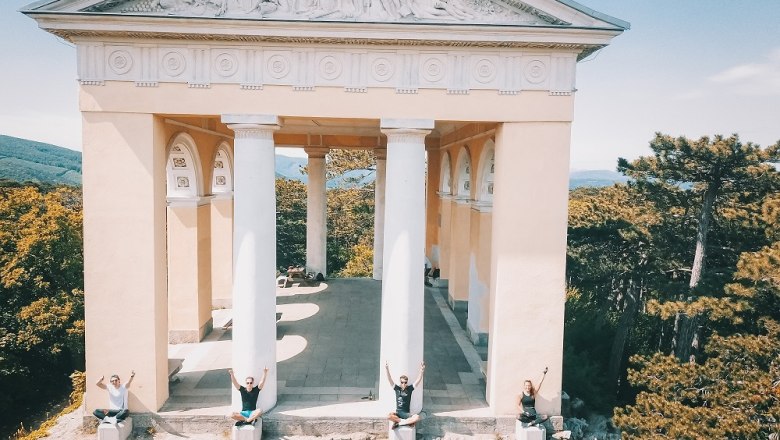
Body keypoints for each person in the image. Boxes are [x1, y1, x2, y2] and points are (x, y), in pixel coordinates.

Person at [385, 361, 425, 428]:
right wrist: (387, 369)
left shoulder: (410, 389)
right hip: (398, 414)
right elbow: (390, 379)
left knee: (417, 417)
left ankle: (399, 423)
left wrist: (422, 371)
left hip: (406, 414)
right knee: (388, 416)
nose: (403, 384)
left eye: (405, 382)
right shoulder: (397, 388)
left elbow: (418, 380)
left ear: (407, 382)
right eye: (402, 382)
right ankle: (405, 422)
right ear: (400, 382)